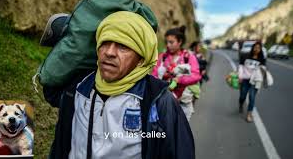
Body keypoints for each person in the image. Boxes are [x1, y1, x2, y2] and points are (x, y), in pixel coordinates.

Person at [43, 11, 195, 159]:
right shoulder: (78, 88)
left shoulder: (158, 101)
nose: (109, 52)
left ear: (141, 59)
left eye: (123, 46)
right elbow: (50, 90)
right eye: (105, 43)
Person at [151, 26, 201, 121]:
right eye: (167, 42)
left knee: (180, 133)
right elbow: (154, 75)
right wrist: (163, 77)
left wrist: (180, 80)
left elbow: (196, 75)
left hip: (184, 105)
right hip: (163, 104)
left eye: (171, 42)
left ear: (180, 41)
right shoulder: (162, 57)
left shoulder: (188, 57)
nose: (168, 45)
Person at [238, 41, 266, 122]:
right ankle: (241, 104)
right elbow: (241, 66)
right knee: (243, 95)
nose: (256, 49)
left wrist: (261, 69)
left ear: (260, 50)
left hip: (255, 80)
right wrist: (240, 76)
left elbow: (263, 70)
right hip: (245, 80)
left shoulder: (262, 59)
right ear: (253, 48)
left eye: (258, 48)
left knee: (252, 97)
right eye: (255, 47)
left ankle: (249, 114)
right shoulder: (246, 56)